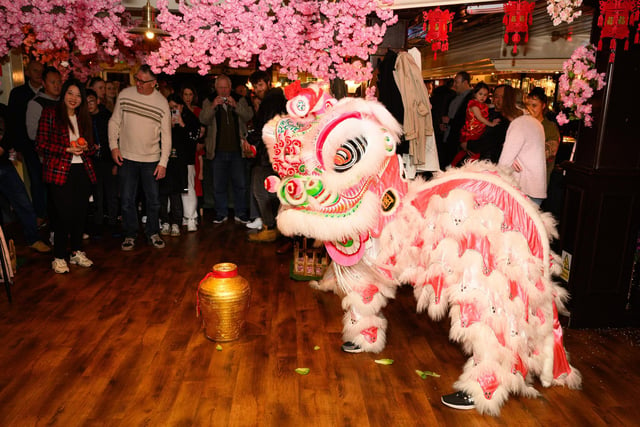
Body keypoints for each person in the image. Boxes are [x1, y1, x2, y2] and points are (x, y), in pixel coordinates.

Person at [35, 79, 97, 273]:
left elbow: (93, 146)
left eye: (78, 96)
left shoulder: (83, 117)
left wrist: (87, 147)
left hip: (82, 171)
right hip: (60, 171)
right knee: (63, 215)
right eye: (70, 93)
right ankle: (59, 256)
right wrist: (67, 149)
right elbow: (40, 144)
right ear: (63, 94)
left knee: (80, 214)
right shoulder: (51, 113)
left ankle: (77, 251)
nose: (74, 98)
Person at [108, 64, 172, 251]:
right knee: (127, 199)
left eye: (142, 81)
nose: (138, 84)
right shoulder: (125, 95)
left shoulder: (161, 103)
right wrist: (114, 146)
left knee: (153, 201)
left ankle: (153, 232)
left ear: (153, 83)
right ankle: (130, 234)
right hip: (126, 157)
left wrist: (163, 162)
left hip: (151, 159)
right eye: (136, 79)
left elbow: (167, 135)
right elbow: (114, 122)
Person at [199, 74, 253, 224]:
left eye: (226, 87)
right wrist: (212, 107)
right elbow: (203, 119)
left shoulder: (240, 99)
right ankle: (221, 213)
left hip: (238, 150)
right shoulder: (209, 101)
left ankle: (240, 213)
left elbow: (249, 115)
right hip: (217, 151)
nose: (223, 91)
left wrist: (236, 105)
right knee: (218, 185)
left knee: (240, 185)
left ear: (230, 88)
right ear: (216, 88)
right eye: (220, 87)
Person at [0, 104, 51, 254]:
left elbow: (12, 131)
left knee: (23, 202)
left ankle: (33, 239)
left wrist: (3, 146)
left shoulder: (3, 109)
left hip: (4, 166)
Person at [246, 70, 287, 243]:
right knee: (275, 190)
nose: (257, 89)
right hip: (277, 152)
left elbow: (266, 127)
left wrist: (251, 138)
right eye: (255, 86)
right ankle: (277, 227)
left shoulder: (271, 101)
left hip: (269, 153)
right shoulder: (277, 99)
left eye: (260, 85)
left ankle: (270, 227)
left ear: (268, 83)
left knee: (259, 189)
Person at [24, 66, 63, 221]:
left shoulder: (64, 101)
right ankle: (49, 223)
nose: (57, 85)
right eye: (53, 82)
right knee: (48, 193)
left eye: (59, 82)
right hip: (46, 156)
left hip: (64, 155)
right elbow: (32, 133)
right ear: (44, 83)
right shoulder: (36, 103)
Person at [159, 94, 200, 236]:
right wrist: (168, 127)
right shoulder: (164, 120)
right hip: (169, 161)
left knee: (187, 189)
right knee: (169, 191)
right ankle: (169, 220)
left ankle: (190, 218)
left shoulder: (191, 118)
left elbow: (194, 138)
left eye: (175, 107)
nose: (173, 110)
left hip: (186, 160)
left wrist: (182, 124)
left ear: (181, 106)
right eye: (170, 108)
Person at [498, 88, 547, 205]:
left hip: (524, 190)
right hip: (534, 189)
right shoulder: (535, 122)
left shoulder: (519, 124)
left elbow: (503, 165)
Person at [86, 89, 118, 238]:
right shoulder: (83, 120)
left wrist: (115, 163)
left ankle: (113, 224)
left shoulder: (107, 117)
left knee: (111, 194)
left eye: (91, 101)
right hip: (92, 162)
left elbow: (115, 140)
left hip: (107, 160)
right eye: (86, 102)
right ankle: (98, 225)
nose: (89, 105)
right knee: (96, 194)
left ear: (97, 101)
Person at [451, 82, 500, 167]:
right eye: (480, 94)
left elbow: (488, 106)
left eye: (485, 95)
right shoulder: (474, 105)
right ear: (475, 94)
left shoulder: (482, 105)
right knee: (473, 152)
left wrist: (496, 105)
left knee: (466, 152)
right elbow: (480, 117)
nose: (483, 97)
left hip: (477, 131)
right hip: (471, 132)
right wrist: (491, 124)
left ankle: (456, 166)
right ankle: (463, 166)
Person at [180, 84, 204, 231]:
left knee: (192, 184)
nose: (188, 98)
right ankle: (185, 215)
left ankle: (191, 216)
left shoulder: (197, 112)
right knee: (182, 185)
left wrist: (200, 143)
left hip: (193, 152)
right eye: (185, 94)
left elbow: (201, 132)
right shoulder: (177, 111)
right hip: (181, 153)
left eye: (190, 94)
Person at [465, 84, 509, 163]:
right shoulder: (484, 110)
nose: (499, 100)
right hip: (475, 159)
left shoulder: (509, 118)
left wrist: (468, 145)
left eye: (503, 97)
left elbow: (491, 141)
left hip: (492, 161)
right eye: (496, 96)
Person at [526, 87, 560, 185]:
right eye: (528, 105)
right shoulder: (523, 123)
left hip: (537, 181)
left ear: (543, 106)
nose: (530, 108)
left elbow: (549, 151)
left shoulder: (550, 127)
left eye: (534, 105)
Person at [441, 71, 473, 168]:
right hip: (450, 139)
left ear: (465, 83)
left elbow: (466, 120)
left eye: (456, 82)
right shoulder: (456, 97)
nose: (454, 85)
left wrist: (449, 121)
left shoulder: (471, 98)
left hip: (459, 142)